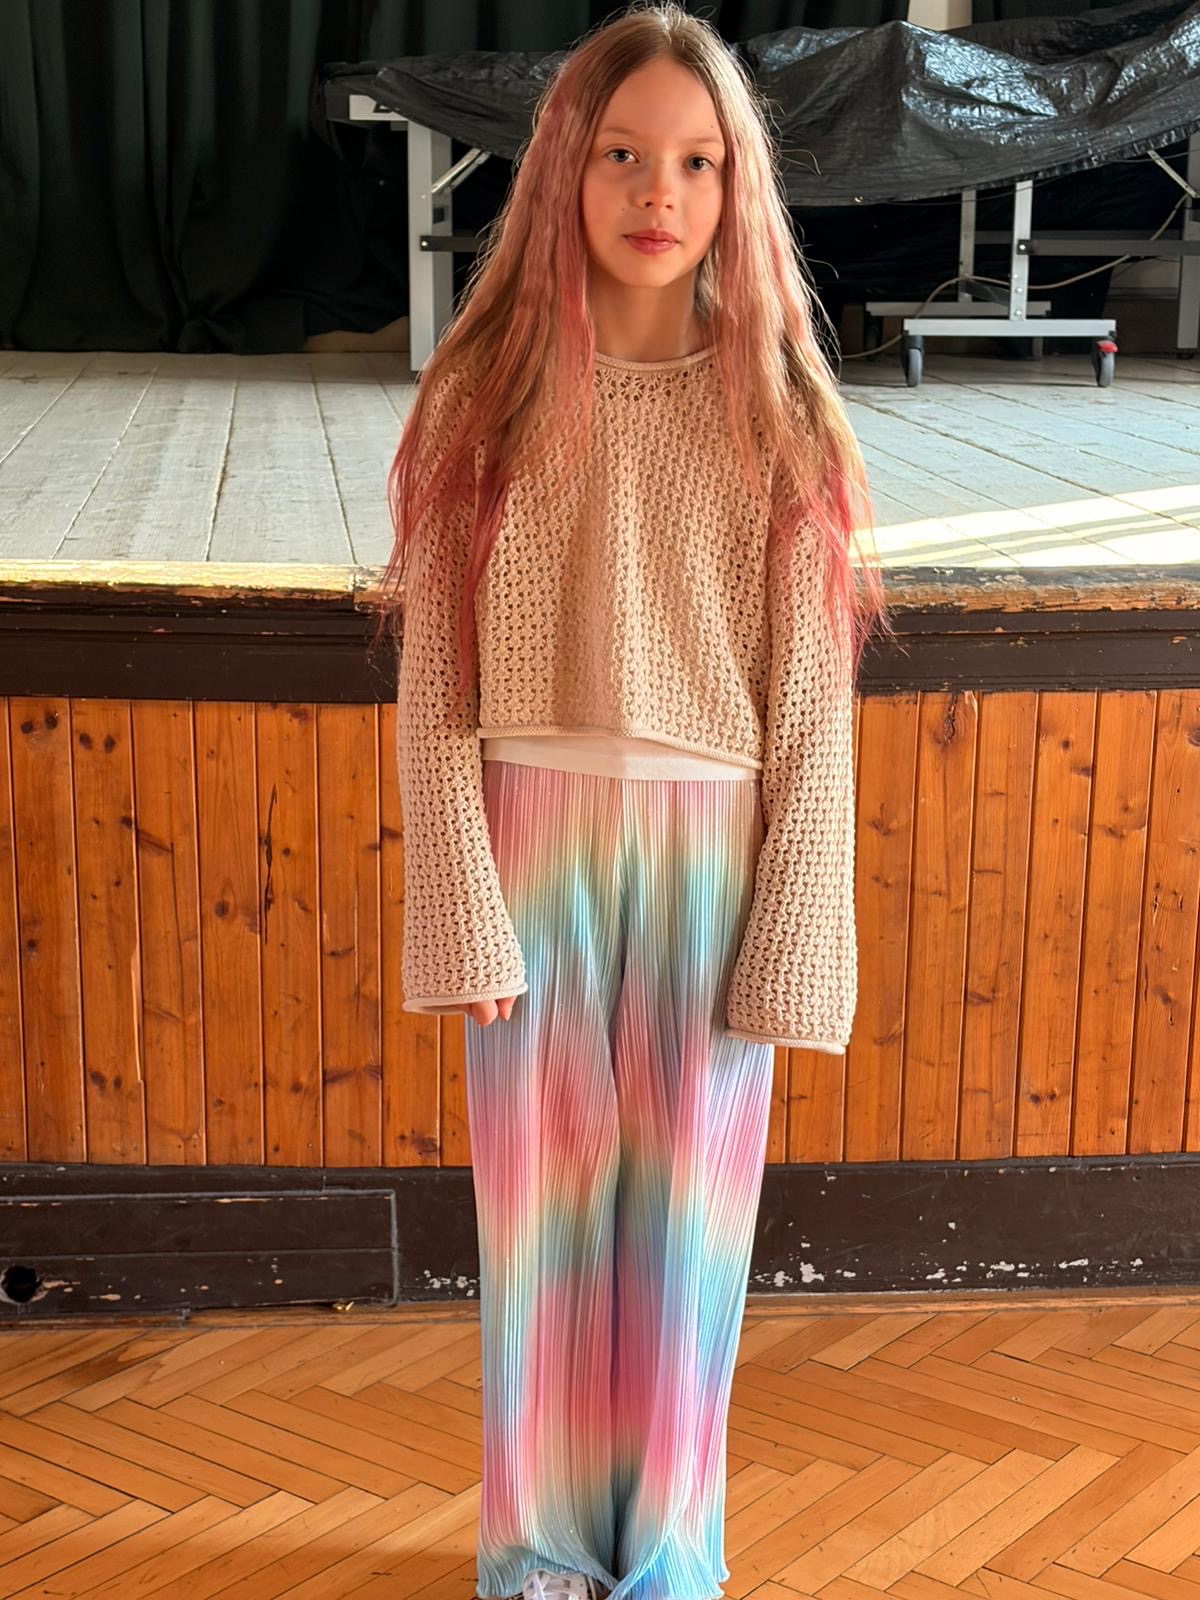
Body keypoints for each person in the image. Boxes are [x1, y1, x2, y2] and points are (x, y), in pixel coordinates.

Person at [371, 6, 893, 1599]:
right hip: (531, 842)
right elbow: (435, 684)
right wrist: (460, 900)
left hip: (712, 860)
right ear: (562, 170)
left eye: (695, 161)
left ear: (737, 188)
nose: (657, 191)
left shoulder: (783, 412)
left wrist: (793, 927)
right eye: (620, 153)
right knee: (542, 1224)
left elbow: (812, 710)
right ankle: (539, 1551)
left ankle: (665, 1555)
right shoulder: (482, 396)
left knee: (688, 1235)